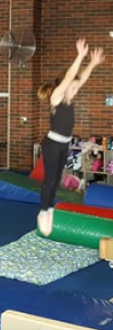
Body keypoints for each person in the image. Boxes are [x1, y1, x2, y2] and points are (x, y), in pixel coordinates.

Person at [37, 38, 104, 236]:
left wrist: (91, 63)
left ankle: (49, 208)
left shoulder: (69, 97)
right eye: (72, 88)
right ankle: (43, 212)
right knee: (49, 179)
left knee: (57, 178)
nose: (76, 90)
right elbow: (70, 77)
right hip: (52, 144)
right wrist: (80, 56)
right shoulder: (56, 97)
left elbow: (80, 79)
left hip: (64, 144)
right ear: (64, 87)